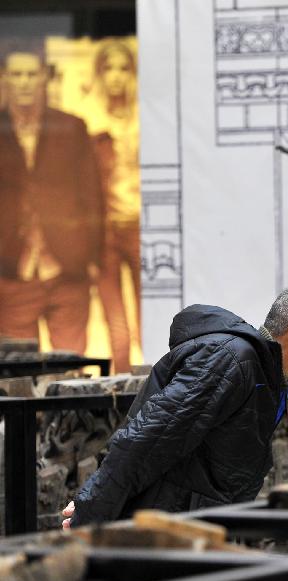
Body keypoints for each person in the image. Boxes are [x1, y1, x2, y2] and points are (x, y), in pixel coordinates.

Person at [63, 281, 288, 527]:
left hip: (187, 533)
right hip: (161, 536)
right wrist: (90, 515)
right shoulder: (232, 361)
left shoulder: (265, 375)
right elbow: (146, 440)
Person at [0, 40, 104, 352]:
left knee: (72, 376)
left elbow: (91, 195)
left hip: (67, 267)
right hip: (12, 271)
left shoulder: (70, 127)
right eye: (16, 74)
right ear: (4, 77)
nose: (24, 82)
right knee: (18, 380)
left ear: (45, 76)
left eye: (32, 74)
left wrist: (92, 257)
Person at [83, 40, 142, 373]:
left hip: (139, 226)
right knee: (117, 327)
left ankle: (157, 394)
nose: (116, 76)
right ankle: (120, 398)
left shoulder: (145, 117)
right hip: (105, 232)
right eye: (109, 68)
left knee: (150, 317)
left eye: (124, 68)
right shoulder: (90, 119)